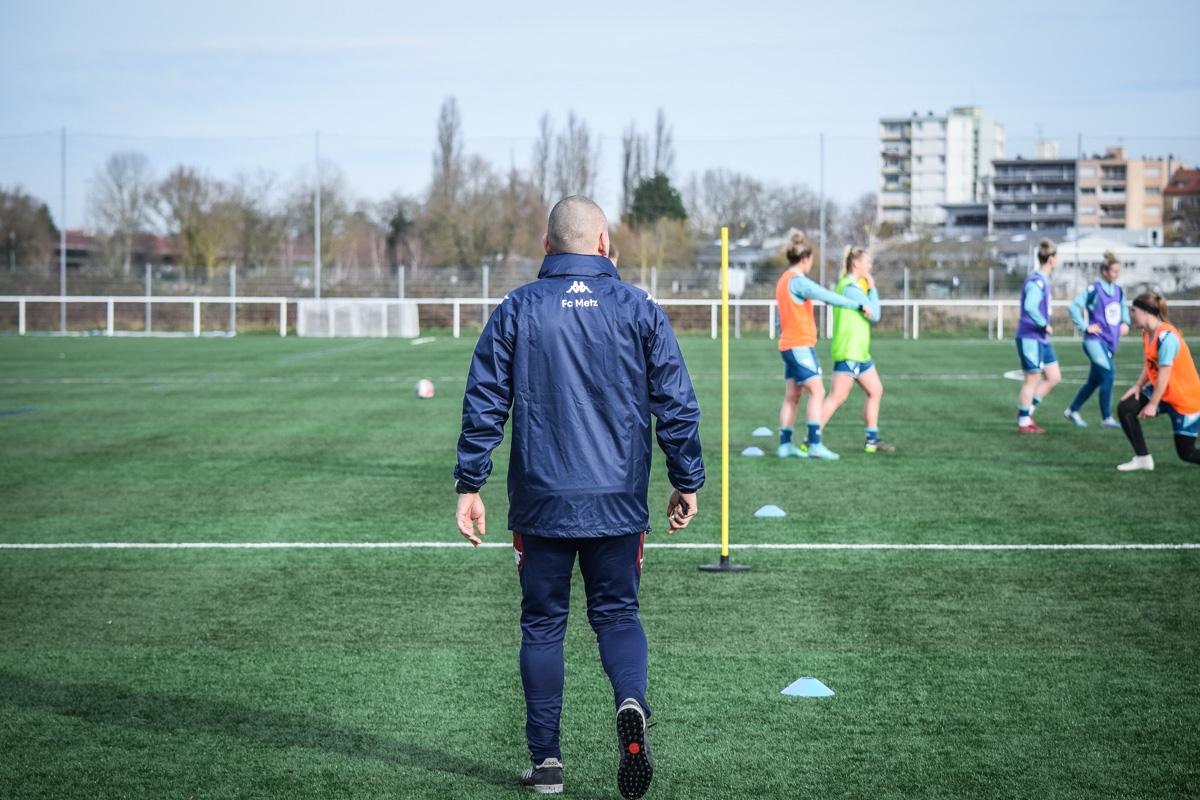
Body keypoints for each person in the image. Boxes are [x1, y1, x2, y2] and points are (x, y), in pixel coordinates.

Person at [454, 195, 704, 799]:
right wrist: (687, 479)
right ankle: (630, 703)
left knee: (543, 626)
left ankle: (546, 764)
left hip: (541, 500)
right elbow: (676, 402)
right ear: (604, 243)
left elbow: (484, 400)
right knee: (617, 616)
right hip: (618, 499)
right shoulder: (639, 307)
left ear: (546, 245)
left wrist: (470, 483)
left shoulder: (518, 307)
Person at [775, 230, 875, 461]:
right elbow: (825, 295)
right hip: (799, 345)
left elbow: (781, 317)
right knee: (818, 392)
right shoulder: (798, 281)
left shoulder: (783, 281)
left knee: (793, 395)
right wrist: (856, 305)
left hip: (788, 344)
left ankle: (785, 445)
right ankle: (815, 445)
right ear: (805, 259)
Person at [820, 246, 894, 453]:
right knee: (837, 397)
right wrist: (873, 288)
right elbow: (875, 315)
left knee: (875, 390)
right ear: (856, 263)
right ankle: (810, 439)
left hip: (860, 352)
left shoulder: (852, 285)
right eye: (867, 262)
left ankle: (872, 440)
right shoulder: (850, 287)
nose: (870, 266)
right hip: (849, 350)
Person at [1114, 292, 1200, 471]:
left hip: (1185, 399)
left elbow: (1164, 375)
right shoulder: (1148, 333)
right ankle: (1143, 459)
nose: (1131, 315)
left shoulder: (1166, 337)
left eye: (1134, 310)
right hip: (1165, 393)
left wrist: (1152, 404)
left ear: (1145, 312)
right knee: (1126, 408)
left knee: (1187, 453)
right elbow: (1150, 364)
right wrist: (1138, 386)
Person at [1063, 251, 1129, 428]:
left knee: (1094, 380)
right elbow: (1074, 306)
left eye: (1118, 271)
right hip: (1094, 341)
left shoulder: (1118, 291)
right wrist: (1085, 327)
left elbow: (1123, 307)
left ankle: (1072, 410)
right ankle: (1107, 418)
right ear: (1104, 271)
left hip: (1110, 342)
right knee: (1108, 375)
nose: (1117, 275)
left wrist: (1125, 322)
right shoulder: (1094, 289)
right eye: (1114, 271)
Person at [1014, 238, 1062, 433]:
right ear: (1051, 259)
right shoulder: (1036, 281)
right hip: (1030, 336)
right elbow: (1030, 307)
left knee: (1053, 376)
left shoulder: (1043, 280)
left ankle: (1026, 411)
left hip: (1040, 338)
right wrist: (1044, 324)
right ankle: (1024, 423)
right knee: (1032, 379)